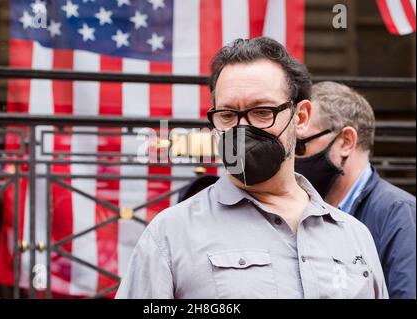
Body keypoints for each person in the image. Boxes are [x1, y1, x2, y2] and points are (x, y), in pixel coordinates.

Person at [116, 37, 388, 299]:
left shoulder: (354, 236)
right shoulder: (171, 234)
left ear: (301, 117)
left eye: (262, 112)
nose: (242, 129)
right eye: (227, 115)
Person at [295, 81, 416, 299]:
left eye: (300, 146)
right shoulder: (303, 211)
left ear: (346, 142)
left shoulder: (398, 214)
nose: (292, 158)